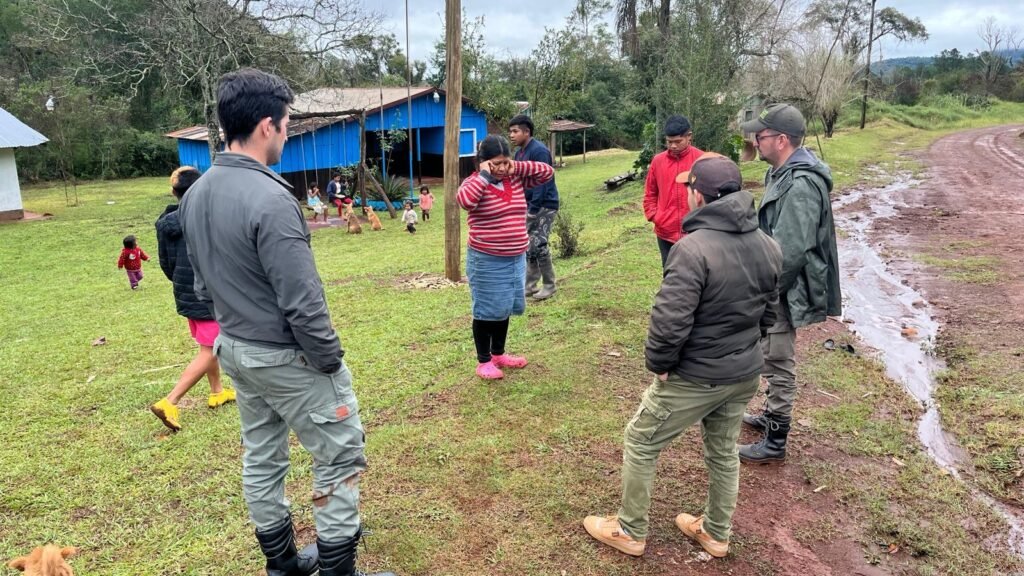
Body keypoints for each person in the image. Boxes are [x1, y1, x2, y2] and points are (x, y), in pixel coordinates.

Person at [178, 68, 394, 576]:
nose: (288, 132)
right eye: (287, 122)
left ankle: (282, 566)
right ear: (266, 126)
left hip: (235, 347)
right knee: (339, 456)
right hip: (286, 355)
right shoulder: (273, 198)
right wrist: (330, 363)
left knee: (262, 455)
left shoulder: (195, 194)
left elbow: (202, 288)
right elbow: (302, 301)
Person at [584, 154, 783, 559]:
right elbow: (769, 314)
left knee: (641, 440)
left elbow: (670, 320)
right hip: (743, 372)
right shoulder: (768, 245)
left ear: (699, 195)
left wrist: (660, 364)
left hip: (697, 375)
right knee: (723, 451)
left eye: (689, 188)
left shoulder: (691, 249)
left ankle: (629, 530)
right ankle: (716, 532)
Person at [737, 103, 841, 464]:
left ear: (781, 140)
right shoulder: (781, 174)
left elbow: (790, 252)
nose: (755, 141)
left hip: (783, 286)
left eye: (761, 135)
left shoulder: (800, 185)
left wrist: (765, 294)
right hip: (775, 282)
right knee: (771, 351)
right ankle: (771, 415)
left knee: (778, 358)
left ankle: (775, 440)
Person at [457, 135, 554, 380]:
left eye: (505, 162)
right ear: (483, 162)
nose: (501, 168)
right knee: (486, 309)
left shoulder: (515, 178)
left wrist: (516, 166)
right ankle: (484, 361)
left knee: (505, 306)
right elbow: (465, 201)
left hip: (515, 258)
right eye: (495, 163)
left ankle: (498, 354)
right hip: (486, 260)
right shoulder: (474, 182)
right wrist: (484, 175)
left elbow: (547, 173)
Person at [151, 166, 235, 432]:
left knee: (207, 345)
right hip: (208, 294)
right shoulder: (208, 218)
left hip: (185, 292)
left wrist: (182, 282)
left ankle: (217, 391)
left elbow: (166, 263)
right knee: (212, 349)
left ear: (173, 192)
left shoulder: (165, 223)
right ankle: (170, 401)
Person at [643, 115, 705, 268]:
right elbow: (650, 192)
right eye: (669, 142)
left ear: (689, 136)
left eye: (678, 141)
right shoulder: (658, 161)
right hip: (665, 233)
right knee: (670, 272)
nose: (673, 146)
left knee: (696, 272)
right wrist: (656, 216)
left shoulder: (702, 160)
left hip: (694, 232)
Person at [509, 114, 559, 300]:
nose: (511, 135)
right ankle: (530, 285)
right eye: (510, 132)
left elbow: (542, 182)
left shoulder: (539, 151)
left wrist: (533, 209)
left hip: (544, 204)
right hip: (528, 205)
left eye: (515, 131)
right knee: (529, 245)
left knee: (539, 243)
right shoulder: (519, 154)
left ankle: (549, 284)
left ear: (526, 132)